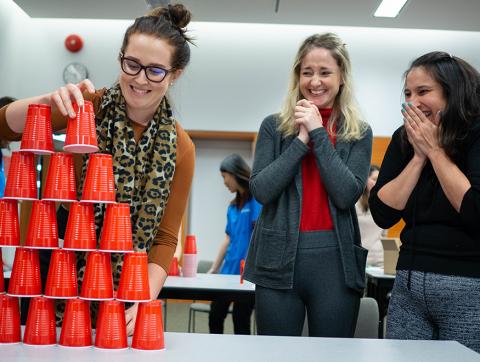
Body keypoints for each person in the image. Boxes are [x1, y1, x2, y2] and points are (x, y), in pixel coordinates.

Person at [0, 3, 195, 335]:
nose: (140, 79)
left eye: (155, 70)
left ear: (175, 74)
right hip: (57, 270)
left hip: (126, 283)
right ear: (120, 57)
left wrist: (142, 295)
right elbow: (3, 128)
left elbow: (164, 237)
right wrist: (46, 103)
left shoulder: (181, 146)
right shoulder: (85, 107)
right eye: (131, 64)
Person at [243, 33, 372, 337]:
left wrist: (317, 132)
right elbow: (261, 190)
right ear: (297, 76)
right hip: (277, 256)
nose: (315, 81)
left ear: (342, 78)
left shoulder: (359, 133)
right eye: (307, 72)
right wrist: (301, 140)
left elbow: (345, 194)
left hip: (335, 262)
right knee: (275, 355)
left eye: (325, 72)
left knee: (332, 356)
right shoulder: (273, 127)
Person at [369, 52, 480, 352]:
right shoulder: (402, 139)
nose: (413, 103)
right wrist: (418, 157)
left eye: (423, 92)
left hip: (467, 285)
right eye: (407, 94)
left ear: (452, 92)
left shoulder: (475, 134)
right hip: (409, 284)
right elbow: (382, 213)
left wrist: (435, 151)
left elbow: (474, 210)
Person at [207, 154, 261, 335]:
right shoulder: (232, 207)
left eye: (224, 177)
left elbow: (258, 237)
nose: (224, 182)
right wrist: (214, 268)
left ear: (233, 173)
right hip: (227, 273)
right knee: (215, 315)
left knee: (241, 320)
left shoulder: (256, 201)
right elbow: (228, 239)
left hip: (246, 276)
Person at [356, 164, 385, 267]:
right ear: (366, 179)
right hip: (360, 258)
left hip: (380, 259)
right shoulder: (355, 202)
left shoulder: (383, 203)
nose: (377, 183)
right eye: (374, 179)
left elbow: (384, 233)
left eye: (379, 180)